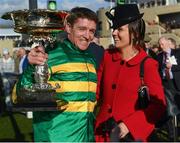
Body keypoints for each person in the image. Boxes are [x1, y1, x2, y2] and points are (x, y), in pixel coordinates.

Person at [16, 7, 98, 142]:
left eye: (92, 31)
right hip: (55, 138)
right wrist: (31, 68)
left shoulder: (90, 59)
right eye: (82, 29)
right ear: (68, 28)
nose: (87, 35)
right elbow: (20, 94)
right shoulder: (50, 54)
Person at [95, 4, 166, 142]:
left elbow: (159, 106)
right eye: (114, 28)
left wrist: (128, 125)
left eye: (119, 29)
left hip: (131, 137)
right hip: (101, 136)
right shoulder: (107, 57)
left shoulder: (148, 64)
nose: (114, 32)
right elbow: (95, 92)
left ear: (134, 33)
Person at [157, 36, 180, 141]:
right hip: (166, 85)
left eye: (162, 44)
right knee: (169, 111)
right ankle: (172, 135)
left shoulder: (177, 53)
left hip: (177, 84)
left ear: (167, 43)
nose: (161, 46)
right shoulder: (159, 56)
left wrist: (171, 67)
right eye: (160, 44)